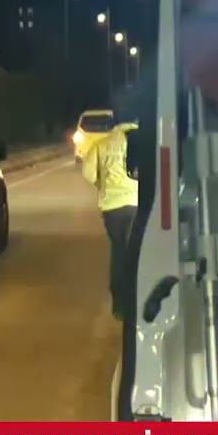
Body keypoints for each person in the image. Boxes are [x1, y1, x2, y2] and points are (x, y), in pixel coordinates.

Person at [81, 100, 139, 319]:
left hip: (112, 208)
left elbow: (88, 173)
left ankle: (119, 305)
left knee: (118, 252)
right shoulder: (141, 141)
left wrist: (102, 184)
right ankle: (136, 299)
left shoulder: (102, 144)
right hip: (136, 204)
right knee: (136, 253)